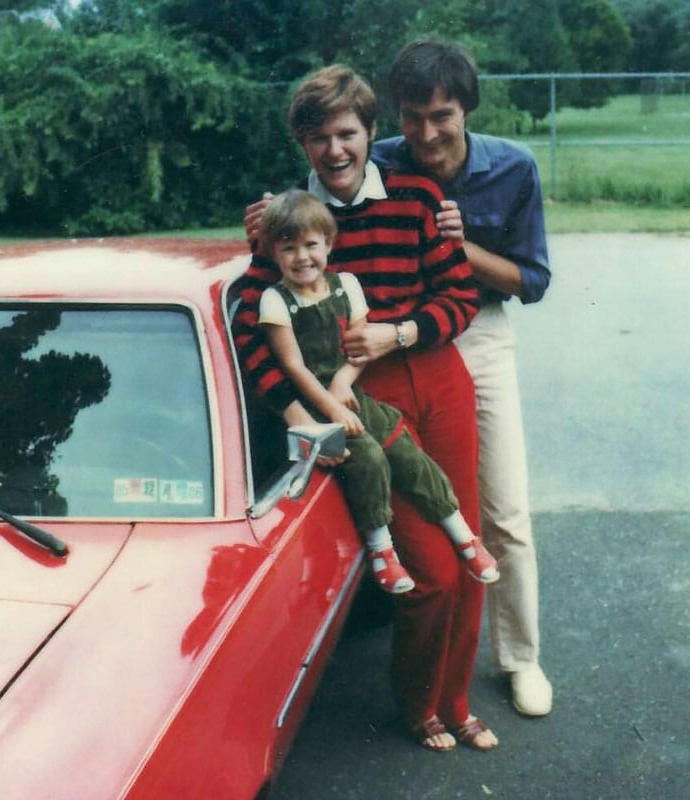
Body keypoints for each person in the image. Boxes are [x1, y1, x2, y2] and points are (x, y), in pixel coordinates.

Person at [233, 64, 498, 751]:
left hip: (437, 380)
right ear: (303, 145)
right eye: (318, 138)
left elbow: (460, 297)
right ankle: (420, 705)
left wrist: (399, 330)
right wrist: (296, 410)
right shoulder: (289, 219)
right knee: (431, 571)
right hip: (360, 401)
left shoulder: (415, 197)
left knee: (469, 551)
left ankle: (458, 702)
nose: (335, 150)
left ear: (371, 133)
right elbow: (252, 329)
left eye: (347, 133)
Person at [370, 38, 553, 717]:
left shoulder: (513, 168)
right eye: (413, 116)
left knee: (504, 510)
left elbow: (531, 281)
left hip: (477, 331)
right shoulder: (376, 158)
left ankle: (521, 660)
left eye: (441, 115)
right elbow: (315, 220)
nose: (426, 133)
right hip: (397, 337)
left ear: (466, 109)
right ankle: (417, 652)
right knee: (408, 504)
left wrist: (461, 247)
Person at [258, 188, 500, 594]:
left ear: (328, 245)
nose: (302, 257)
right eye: (288, 248)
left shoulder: (346, 285)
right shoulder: (275, 300)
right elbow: (293, 366)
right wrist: (331, 406)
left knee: (405, 449)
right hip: (315, 407)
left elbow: (360, 345)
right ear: (273, 252)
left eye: (311, 245)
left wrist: (343, 384)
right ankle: (381, 550)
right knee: (368, 457)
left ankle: (464, 536)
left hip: (347, 393)